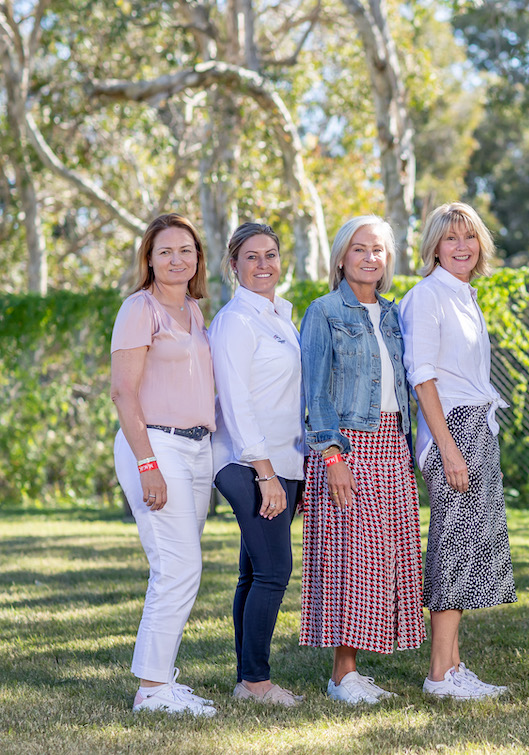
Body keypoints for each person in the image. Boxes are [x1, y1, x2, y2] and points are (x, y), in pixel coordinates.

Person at [299, 215, 425, 704]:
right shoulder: (324, 311)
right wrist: (332, 455)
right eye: (359, 249)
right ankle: (342, 677)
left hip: (393, 446)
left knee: (386, 562)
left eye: (378, 249)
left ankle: (352, 674)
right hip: (349, 447)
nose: (370, 257)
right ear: (341, 257)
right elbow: (315, 389)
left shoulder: (393, 315)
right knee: (355, 560)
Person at [399, 201, 516, 700]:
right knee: (454, 546)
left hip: (476, 425)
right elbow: (421, 375)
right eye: (450, 239)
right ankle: (439, 675)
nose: (462, 246)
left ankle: (453, 665)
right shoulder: (427, 297)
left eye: (469, 237)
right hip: (453, 428)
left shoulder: (465, 295)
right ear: (434, 247)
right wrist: (446, 447)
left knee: (469, 548)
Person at [110, 213, 217, 717]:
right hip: (156, 446)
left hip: (197, 449)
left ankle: (161, 682)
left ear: (198, 258)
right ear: (149, 259)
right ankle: (152, 689)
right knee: (178, 567)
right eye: (166, 251)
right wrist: (147, 462)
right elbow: (122, 392)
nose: (177, 259)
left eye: (187, 250)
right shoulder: (140, 308)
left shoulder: (195, 311)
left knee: (178, 568)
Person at [210, 222, 305, 706]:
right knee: (273, 571)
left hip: (285, 462)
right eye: (252, 256)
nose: (263, 264)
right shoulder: (234, 322)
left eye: (270, 254)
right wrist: (266, 475)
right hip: (248, 463)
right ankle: (256, 682)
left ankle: (247, 677)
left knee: (253, 573)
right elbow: (237, 403)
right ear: (234, 265)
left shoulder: (281, 317)